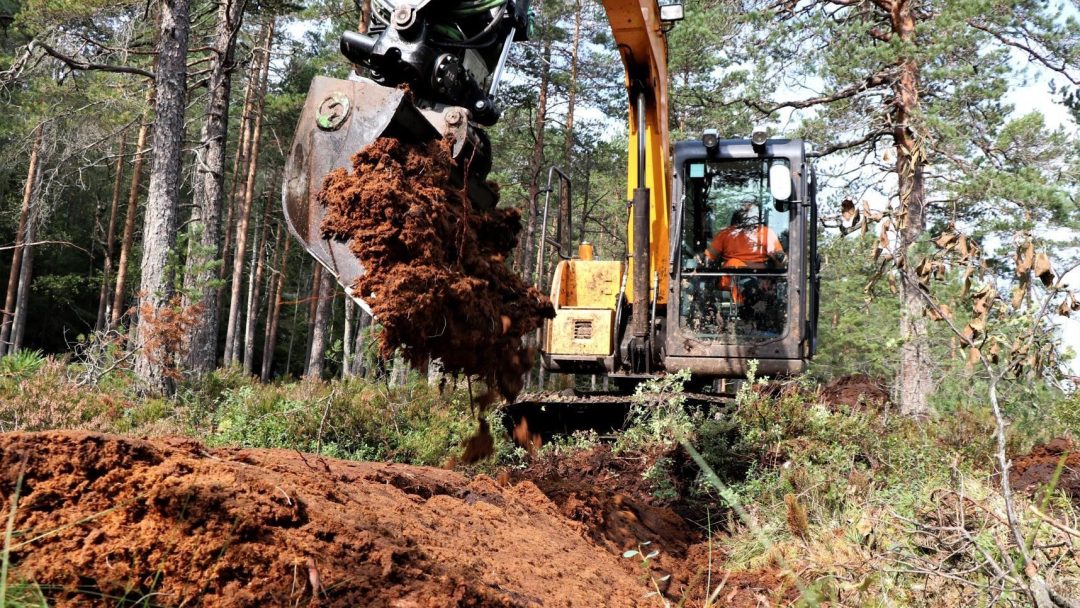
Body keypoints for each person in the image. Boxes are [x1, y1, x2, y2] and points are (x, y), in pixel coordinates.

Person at [699, 201, 785, 307]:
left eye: (752, 214)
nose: (749, 218)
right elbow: (709, 257)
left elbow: (780, 258)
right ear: (738, 216)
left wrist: (776, 260)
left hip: (760, 277)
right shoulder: (726, 234)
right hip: (732, 277)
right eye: (746, 214)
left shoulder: (766, 233)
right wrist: (701, 259)